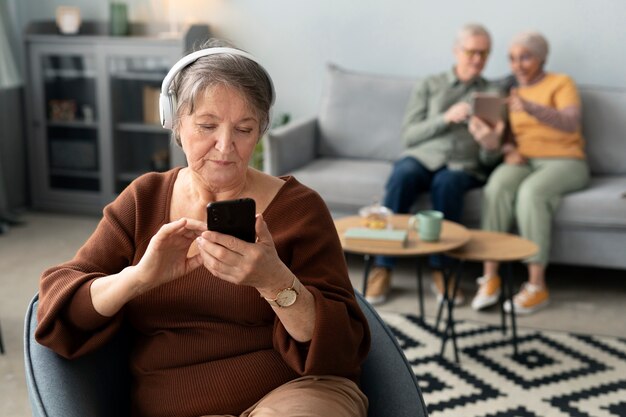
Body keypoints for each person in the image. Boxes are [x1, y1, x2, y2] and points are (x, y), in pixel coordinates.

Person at [35, 39, 370, 417]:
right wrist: (139, 277)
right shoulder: (144, 199)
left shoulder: (299, 209)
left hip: (292, 391)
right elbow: (60, 304)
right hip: (173, 404)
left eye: (243, 129)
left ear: (260, 131)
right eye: (207, 125)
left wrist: (276, 283)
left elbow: (345, 347)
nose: (225, 147)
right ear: (175, 123)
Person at [365, 23, 504, 305]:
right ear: (456, 51)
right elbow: (409, 135)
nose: (478, 59)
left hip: (462, 166)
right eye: (472, 52)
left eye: (484, 53)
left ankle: (442, 270)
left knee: (448, 183)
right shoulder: (430, 84)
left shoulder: (492, 93)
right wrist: (445, 118)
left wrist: (489, 141)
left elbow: (490, 161)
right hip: (423, 156)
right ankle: (383, 265)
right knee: (403, 174)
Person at [470, 31, 590, 315]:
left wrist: (531, 107)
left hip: (566, 161)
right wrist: (508, 149)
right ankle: (490, 278)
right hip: (525, 161)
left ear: (541, 58)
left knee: (531, 194)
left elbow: (571, 122)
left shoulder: (561, 83)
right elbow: (507, 134)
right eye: (512, 58)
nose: (517, 65)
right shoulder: (508, 90)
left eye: (525, 57)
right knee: (497, 185)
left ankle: (537, 286)